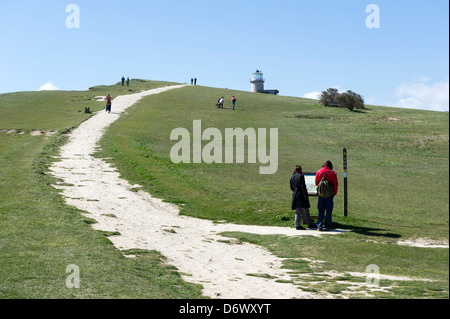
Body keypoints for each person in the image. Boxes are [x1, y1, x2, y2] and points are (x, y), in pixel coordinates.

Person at [315, 160, 338, 231]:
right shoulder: (332, 173)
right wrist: (334, 192)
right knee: (329, 210)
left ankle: (319, 226)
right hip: (330, 194)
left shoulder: (319, 172)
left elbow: (316, 183)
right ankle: (327, 226)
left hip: (321, 194)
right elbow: (335, 184)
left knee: (321, 210)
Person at [290, 165, 316, 230]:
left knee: (298, 210)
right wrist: (305, 195)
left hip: (295, 194)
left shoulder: (292, 176)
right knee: (304, 209)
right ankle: (303, 224)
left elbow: (291, 187)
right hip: (301, 194)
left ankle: (301, 224)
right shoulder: (301, 176)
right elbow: (303, 186)